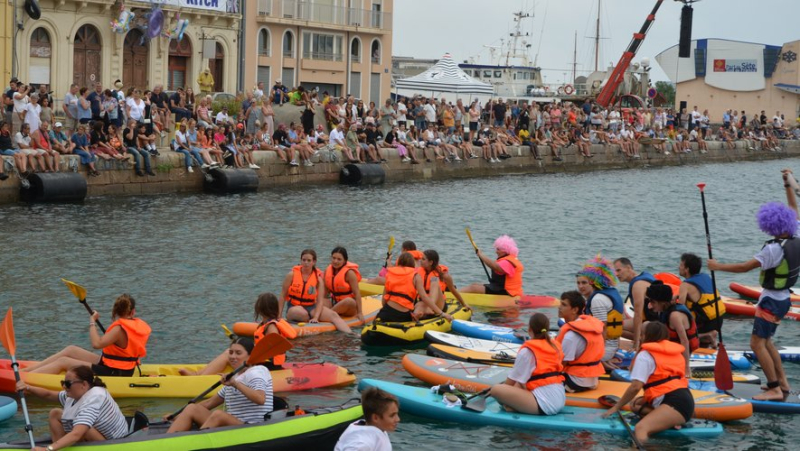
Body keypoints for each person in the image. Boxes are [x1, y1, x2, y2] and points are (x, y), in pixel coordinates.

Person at [707, 170, 799, 400]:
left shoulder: (773, 249)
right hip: (783, 299)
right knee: (767, 341)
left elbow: (744, 267)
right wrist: (788, 185)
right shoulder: (796, 234)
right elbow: (793, 208)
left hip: (770, 301)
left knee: (757, 343)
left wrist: (717, 266)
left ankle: (775, 388)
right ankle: (783, 383)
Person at [602, 322, 694, 445]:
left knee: (641, 429)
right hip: (685, 398)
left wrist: (616, 407)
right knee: (634, 404)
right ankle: (670, 420)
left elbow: (635, 387)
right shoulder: (674, 353)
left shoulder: (645, 355)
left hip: (675, 403)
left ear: (645, 336)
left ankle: (671, 420)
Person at [23, 294, 151, 376]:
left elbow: (96, 344)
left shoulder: (118, 329)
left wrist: (92, 321)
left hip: (116, 372)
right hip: (115, 365)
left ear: (116, 310)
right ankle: (28, 370)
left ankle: (26, 378)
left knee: (63, 362)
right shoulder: (135, 325)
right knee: (71, 349)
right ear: (133, 311)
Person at [167, 337, 273, 432]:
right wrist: (178, 416)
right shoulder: (235, 376)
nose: (232, 356)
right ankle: (166, 441)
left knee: (218, 415)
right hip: (234, 425)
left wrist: (236, 384)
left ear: (250, 356)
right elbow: (209, 403)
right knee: (191, 408)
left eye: (238, 353)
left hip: (253, 427)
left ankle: (194, 444)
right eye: (231, 352)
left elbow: (260, 399)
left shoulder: (256, 371)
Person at [16, 366, 129, 449]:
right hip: (99, 434)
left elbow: (77, 434)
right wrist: (27, 387)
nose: (65, 386)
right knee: (55, 413)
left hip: (113, 444)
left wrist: (47, 449)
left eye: (68, 383)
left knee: (84, 428)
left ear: (84, 384)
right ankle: (60, 447)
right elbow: (48, 394)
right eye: (63, 382)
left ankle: (56, 448)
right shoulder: (76, 394)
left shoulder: (94, 399)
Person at [180, 293, 291, 376]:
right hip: (261, 363)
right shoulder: (266, 324)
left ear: (260, 308)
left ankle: (200, 378)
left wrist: (252, 357)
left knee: (229, 354)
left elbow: (274, 347)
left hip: (268, 367)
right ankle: (199, 374)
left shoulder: (271, 327)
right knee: (232, 352)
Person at [489, 313, 566, 415]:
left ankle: (514, 407)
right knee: (519, 383)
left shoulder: (527, 351)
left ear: (530, 329)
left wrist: (499, 393)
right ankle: (516, 406)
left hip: (545, 404)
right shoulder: (554, 346)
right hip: (560, 398)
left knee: (496, 390)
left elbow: (509, 383)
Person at [280, 249, 352, 333]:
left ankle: (351, 334)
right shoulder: (291, 275)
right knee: (302, 313)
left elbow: (320, 301)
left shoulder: (318, 279)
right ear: (301, 261)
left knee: (334, 315)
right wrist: (278, 316)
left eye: (309, 260)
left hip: (311, 307)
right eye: (304, 260)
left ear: (314, 262)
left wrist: (316, 317)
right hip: (294, 307)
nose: (306, 262)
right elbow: (282, 296)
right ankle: (305, 320)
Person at [575, 255, 624, 370]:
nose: (580, 286)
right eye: (578, 283)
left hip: (606, 349)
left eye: (584, 283)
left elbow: (602, 328)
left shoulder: (597, 301)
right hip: (611, 346)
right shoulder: (607, 293)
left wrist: (597, 355)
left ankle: (604, 364)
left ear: (594, 283)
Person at [377, 252, 454, 323]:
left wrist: (388, 261)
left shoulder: (390, 274)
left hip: (386, 312)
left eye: (423, 259)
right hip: (403, 314)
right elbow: (424, 297)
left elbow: (383, 302)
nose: (421, 261)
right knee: (418, 307)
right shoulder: (415, 276)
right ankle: (420, 314)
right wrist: (442, 314)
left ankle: (422, 312)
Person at [645, 281, 698, 376]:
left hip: (680, 354)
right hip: (671, 349)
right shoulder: (664, 308)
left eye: (652, 302)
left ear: (661, 302)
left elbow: (684, 341)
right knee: (646, 325)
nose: (650, 304)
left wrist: (686, 368)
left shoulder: (674, 316)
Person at [555, 291, 605, 392]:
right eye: (560, 303)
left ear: (574, 310)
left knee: (535, 380)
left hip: (576, 381)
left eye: (564, 305)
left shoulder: (571, 336)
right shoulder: (589, 326)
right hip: (592, 379)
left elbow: (561, 364)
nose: (559, 307)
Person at [677, 252, 724, 348]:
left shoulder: (685, 285)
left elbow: (680, 307)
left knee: (677, 331)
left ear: (687, 270)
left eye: (681, 265)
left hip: (706, 324)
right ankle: (707, 340)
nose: (679, 267)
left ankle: (707, 335)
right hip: (719, 320)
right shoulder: (706, 277)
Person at [334, 387, 398, 451]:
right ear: (375, 418)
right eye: (392, 416)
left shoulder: (379, 428)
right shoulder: (361, 444)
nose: (398, 419)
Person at [614, 258, 657, 349]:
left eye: (618, 270)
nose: (616, 274)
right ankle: (642, 340)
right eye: (615, 271)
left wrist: (635, 344)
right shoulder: (645, 276)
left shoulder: (637, 286)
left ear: (629, 268)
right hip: (653, 321)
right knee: (615, 325)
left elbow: (638, 315)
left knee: (613, 328)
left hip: (656, 325)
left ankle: (640, 342)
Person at [322, 247, 364, 322]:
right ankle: (325, 314)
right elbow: (325, 294)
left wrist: (360, 312)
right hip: (334, 302)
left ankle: (327, 315)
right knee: (320, 300)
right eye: (333, 258)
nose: (335, 261)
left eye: (339, 259)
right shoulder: (327, 270)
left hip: (349, 307)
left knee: (348, 301)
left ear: (345, 260)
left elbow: (357, 293)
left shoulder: (349, 273)